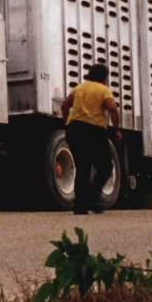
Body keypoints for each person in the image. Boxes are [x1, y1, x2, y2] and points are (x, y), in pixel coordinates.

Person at [60, 63, 121, 215]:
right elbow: (112, 108)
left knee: (83, 167)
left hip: (75, 130)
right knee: (105, 167)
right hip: (94, 131)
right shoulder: (103, 90)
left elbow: (64, 106)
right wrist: (116, 129)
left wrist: (67, 124)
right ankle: (93, 197)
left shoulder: (79, 88)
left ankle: (80, 206)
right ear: (104, 77)